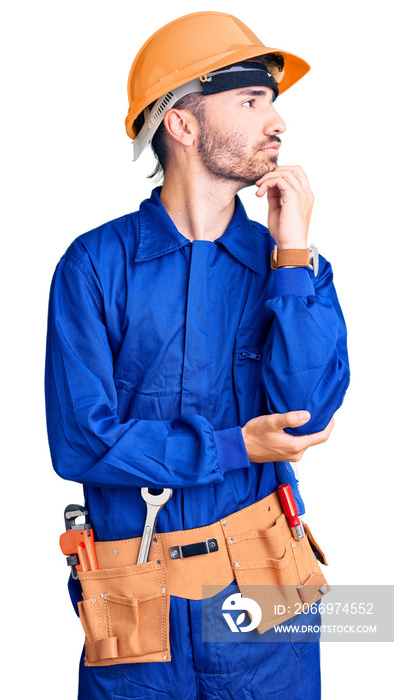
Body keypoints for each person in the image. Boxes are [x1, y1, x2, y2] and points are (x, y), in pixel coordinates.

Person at [45, 11, 350, 700]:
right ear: (181, 124)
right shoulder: (95, 267)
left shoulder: (293, 269)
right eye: (251, 100)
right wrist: (236, 446)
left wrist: (292, 257)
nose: (278, 122)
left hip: (267, 591)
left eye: (272, 101)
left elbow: (303, 419)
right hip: (136, 603)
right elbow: (79, 441)